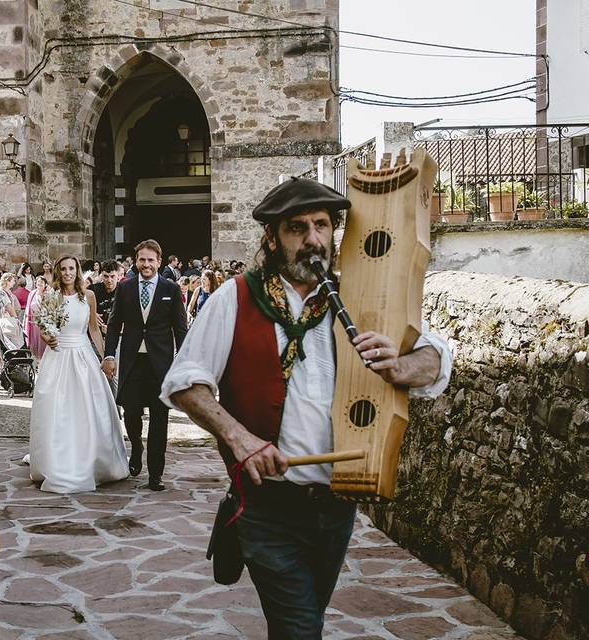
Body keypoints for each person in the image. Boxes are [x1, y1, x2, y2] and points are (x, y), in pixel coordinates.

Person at [161, 177, 452, 640]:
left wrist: (401, 365)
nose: (313, 239)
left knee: (303, 620)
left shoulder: (359, 300)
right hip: (266, 505)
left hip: (337, 507)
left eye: (322, 225)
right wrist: (241, 440)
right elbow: (183, 385)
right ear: (272, 239)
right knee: (299, 626)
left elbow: (437, 359)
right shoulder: (234, 298)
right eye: (297, 228)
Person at [29, 255, 129, 493]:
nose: (67, 273)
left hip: (83, 354)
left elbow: (93, 329)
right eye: (63, 269)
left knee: (89, 406)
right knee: (58, 408)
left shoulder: (89, 296)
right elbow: (44, 328)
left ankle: (94, 459)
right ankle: (57, 459)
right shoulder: (51, 297)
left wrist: (106, 357)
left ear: (77, 270)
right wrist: (47, 338)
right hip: (59, 355)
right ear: (57, 271)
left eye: (71, 268)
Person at [102, 240, 188, 491]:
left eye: (151, 260)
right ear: (136, 261)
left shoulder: (171, 289)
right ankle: (137, 447)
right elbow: (115, 323)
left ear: (159, 262)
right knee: (131, 413)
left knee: (160, 418)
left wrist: (184, 359)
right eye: (142, 260)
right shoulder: (125, 288)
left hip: (160, 363)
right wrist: (109, 356)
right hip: (132, 362)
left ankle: (156, 474)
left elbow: (180, 328)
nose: (146, 264)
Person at [23, 275, 48, 361]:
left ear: (45, 284)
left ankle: (43, 360)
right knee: (33, 341)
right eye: (38, 282)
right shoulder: (32, 293)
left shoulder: (47, 294)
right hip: (32, 322)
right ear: (35, 283)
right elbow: (27, 307)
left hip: (43, 322)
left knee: (42, 342)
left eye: (42, 282)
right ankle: (35, 360)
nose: (40, 283)